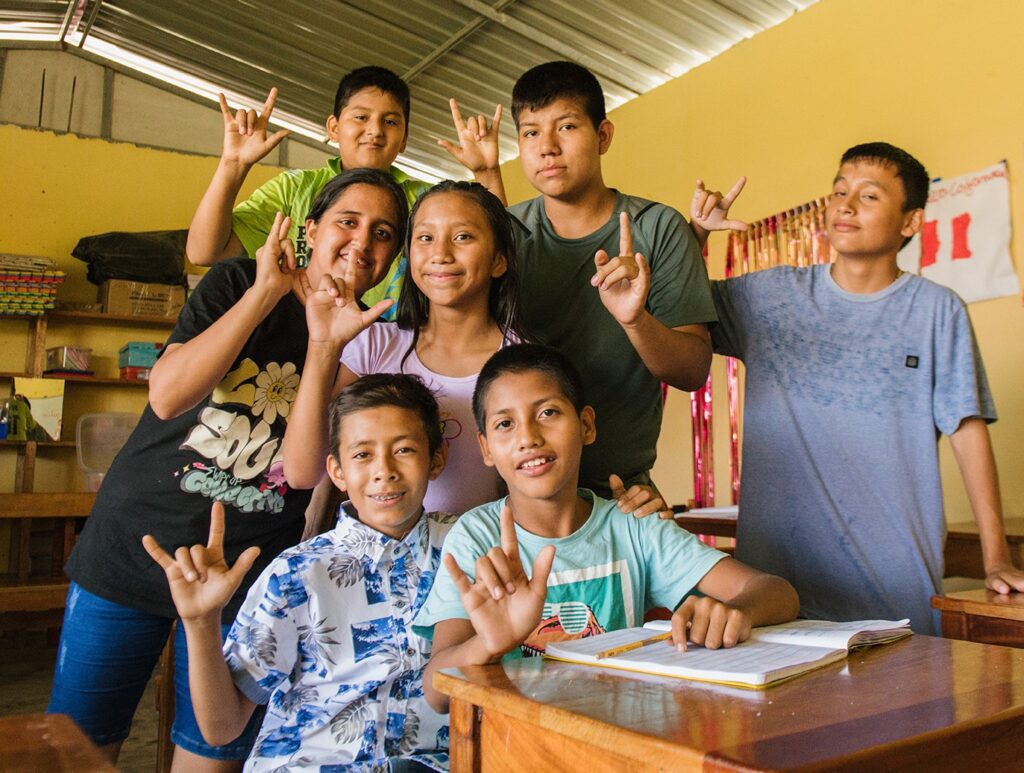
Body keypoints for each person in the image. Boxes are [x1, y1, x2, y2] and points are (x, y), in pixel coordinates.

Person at [49, 168, 409, 770]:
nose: (362, 244)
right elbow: (167, 396)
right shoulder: (237, 280)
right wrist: (264, 294)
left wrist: (326, 345)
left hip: (244, 572)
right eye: (347, 223)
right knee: (79, 749)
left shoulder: (367, 340)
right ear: (312, 230)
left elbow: (302, 471)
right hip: (132, 545)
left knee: (211, 752)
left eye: (382, 234)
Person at [706, 142, 1024, 634]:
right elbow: (670, 304)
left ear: (910, 222)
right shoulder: (768, 296)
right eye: (838, 190)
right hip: (774, 602)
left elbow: (967, 432)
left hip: (894, 597)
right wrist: (692, 235)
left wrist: (996, 558)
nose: (845, 205)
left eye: (869, 196)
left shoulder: (937, 311)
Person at [413, 344, 799, 712]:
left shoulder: (633, 527)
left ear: (586, 425)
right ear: (485, 448)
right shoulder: (477, 538)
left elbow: (776, 593)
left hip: (615, 741)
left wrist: (737, 613)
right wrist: (490, 644)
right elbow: (436, 691)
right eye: (504, 423)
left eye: (547, 413)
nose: (528, 438)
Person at [284, 181, 671, 523]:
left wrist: (626, 512)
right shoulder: (373, 346)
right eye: (425, 238)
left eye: (463, 237)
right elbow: (302, 473)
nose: (441, 254)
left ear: (500, 260)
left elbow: (548, 486)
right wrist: (324, 345)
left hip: (485, 568)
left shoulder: (526, 363)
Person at [441, 61, 726, 500]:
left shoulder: (657, 228)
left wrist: (635, 321)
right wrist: (486, 176)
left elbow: (692, 371)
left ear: (604, 136)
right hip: (510, 493)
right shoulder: (509, 234)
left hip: (620, 495)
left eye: (567, 126)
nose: (547, 148)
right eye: (531, 133)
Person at [144, 374, 453, 772]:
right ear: (336, 471)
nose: (384, 470)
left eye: (405, 449)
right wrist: (200, 621)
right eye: (362, 455)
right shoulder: (298, 573)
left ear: (436, 459)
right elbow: (222, 727)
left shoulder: (465, 548)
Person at [186, 67, 505, 316]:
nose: (375, 131)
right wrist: (232, 164)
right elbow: (204, 252)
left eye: (391, 122)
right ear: (334, 127)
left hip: (386, 350)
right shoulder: (293, 188)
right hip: (295, 339)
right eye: (361, 117)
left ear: (405, 138)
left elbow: (499, 255)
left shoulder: (428, 200)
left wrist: (487, 173)